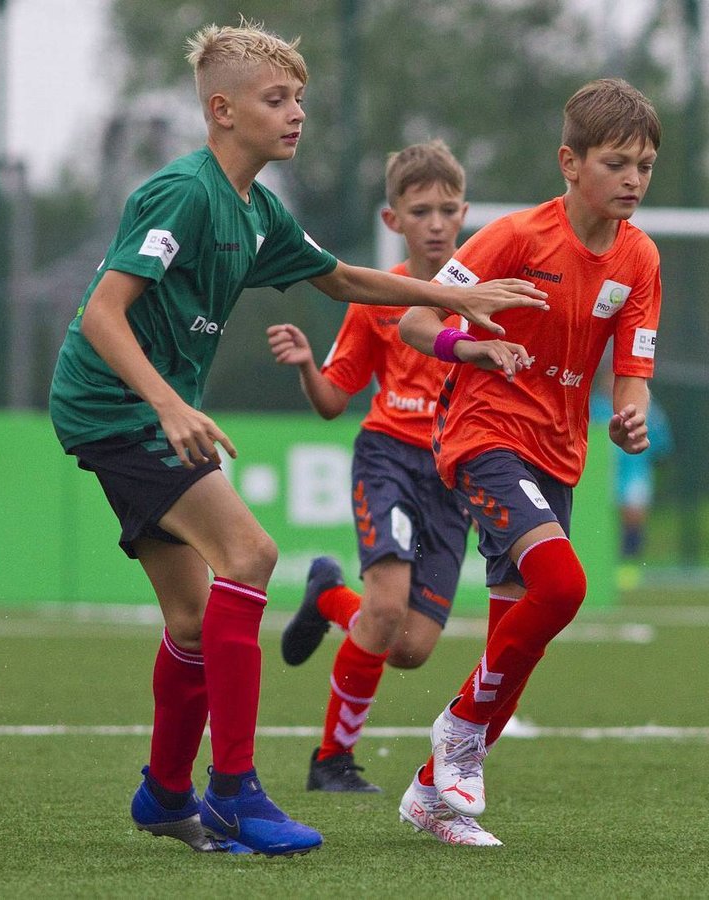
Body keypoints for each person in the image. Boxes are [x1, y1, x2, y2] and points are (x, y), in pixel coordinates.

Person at [46, 20, 545, 857]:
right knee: (250, 555)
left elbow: (341, 279)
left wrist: (453, 297)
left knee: (193, 621)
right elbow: (102, 313)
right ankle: (235, 793)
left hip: (136, 410)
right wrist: (168, 406)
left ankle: (164, 794)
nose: (296, 113)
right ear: (222, 110)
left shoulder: (259, 210)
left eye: (299, 99)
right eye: (276, 99)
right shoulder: (184, 193)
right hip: (114, 406)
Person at [397, 78, 662, 844]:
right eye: (617, 163)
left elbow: (634, 365)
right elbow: (415, 321)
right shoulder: (513, 238)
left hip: (559, 451)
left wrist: (632, 413)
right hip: (484, 435)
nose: (634, 180)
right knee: (565, 585)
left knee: (518, 641)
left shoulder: (640, 257)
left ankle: (430, 797)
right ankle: (459, 727)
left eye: (645, 166)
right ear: (570, 163)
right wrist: (472, 346)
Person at [265, 140, 493, 844]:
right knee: (387, 606)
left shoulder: (482, 295)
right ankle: (331, 760)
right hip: (388, 458)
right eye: (419, 211)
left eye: (446, 210)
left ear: (464, 213)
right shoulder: (377, 299)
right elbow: (334, 401)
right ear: (393, 220)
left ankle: (328, 597)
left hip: (451, 474)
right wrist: (308, 366)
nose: (435, 223)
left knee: (410, 648)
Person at [589, 366, 673, 589]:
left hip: (635, 472)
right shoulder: (595, 406)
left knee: (633, 517)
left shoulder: (647, 408)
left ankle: (628, 567)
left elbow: (661, 444)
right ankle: (599, 566)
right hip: (600, 474)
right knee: (603, 521)